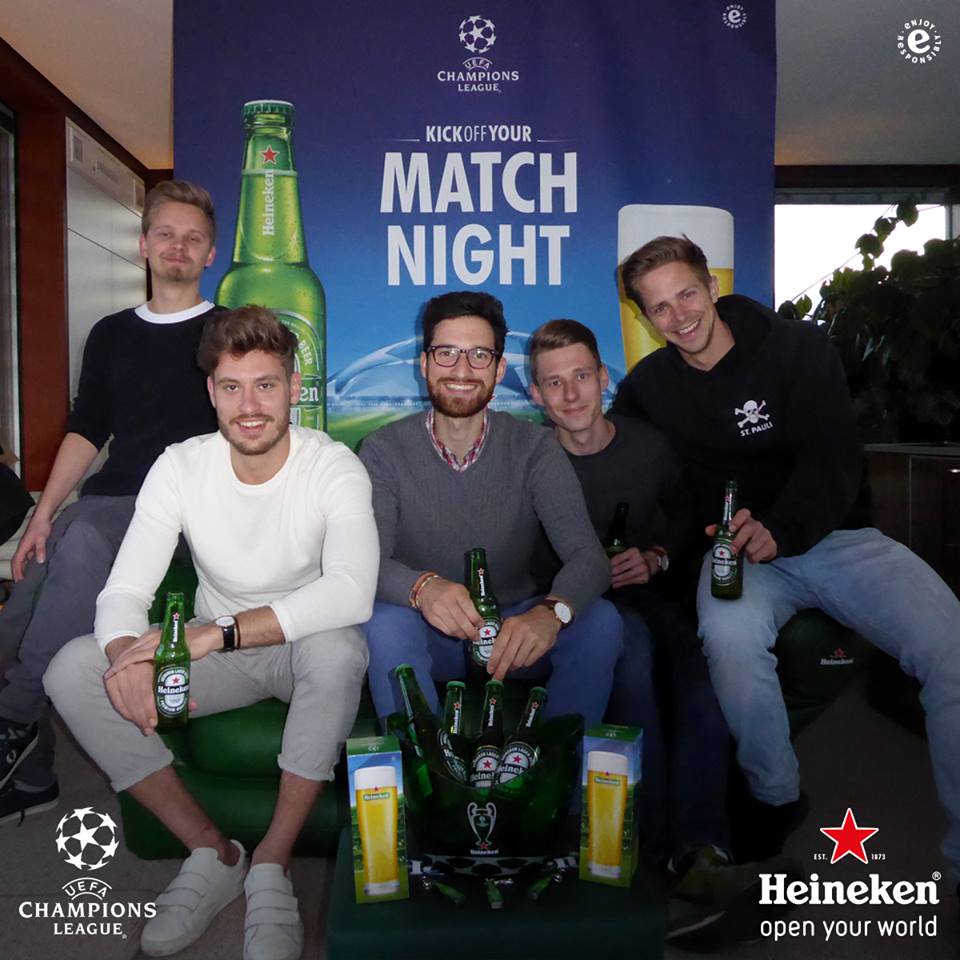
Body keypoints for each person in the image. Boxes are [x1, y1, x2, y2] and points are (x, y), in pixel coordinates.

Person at [613, 234, 960, 881]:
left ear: (712, 286)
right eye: (659, 307)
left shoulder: (795, 347)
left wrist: (784, 525)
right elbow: (618, 456)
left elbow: (833, 456)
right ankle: (773, 800)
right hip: (737, 557)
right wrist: (652, 547)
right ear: (644, 317)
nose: (679, 315)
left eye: (686, 294)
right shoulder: (649, 389)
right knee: (729, 643)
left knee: (952, 647)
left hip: (836, 537)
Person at [45, 306, 378, 960]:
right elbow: (124, 592)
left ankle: (271, 863)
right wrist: (124, 659)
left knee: (338, 649)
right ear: (211, 392)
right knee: (71, 670)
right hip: (217, 652)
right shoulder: (180, 466)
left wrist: (217, 634)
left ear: (293, 387)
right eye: (232, 387)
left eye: (265, 385)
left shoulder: (333, 465)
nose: (249, 406)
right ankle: (213, 851)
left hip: (298, 649)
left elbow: (349, 592)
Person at [529, 318, 774, 946]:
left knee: (698, 679)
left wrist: (657, 557)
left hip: (656, 599)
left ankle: (704, 850)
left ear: (603, 378)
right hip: (581, 613)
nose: (571, 394)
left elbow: (690, 525)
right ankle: (660, 851)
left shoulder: (649, 447)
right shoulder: (533, 458)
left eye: (581, 376)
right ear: (535, 394)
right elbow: (520, 561)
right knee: (631, 661)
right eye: (554, 383)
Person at [0, 180, 221, 826]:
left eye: (193, 238)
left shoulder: (227, 330)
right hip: (109, 501)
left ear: (210, 253)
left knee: (84, 538)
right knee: (38, 576)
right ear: (144, 244)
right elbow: (88, 427)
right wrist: (43, 515)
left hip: (187, 509)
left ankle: (15, 718)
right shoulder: (111, 333)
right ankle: (31, 769)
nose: (177, 246)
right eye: (166, 234)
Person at [359, 291, 622, 725]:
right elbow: (367, 562)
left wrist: (551, 611)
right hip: (428, 633)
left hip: (513, 637)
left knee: (602, 621)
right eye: (446, 353)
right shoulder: (383, 450)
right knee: (384, 623)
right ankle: (421, 761)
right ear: (423, 364)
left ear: (499, 369)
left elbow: (588, 557)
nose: (461, 370)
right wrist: (422, 589)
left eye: (479, 355)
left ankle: (559, 760)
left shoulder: (535, 448)